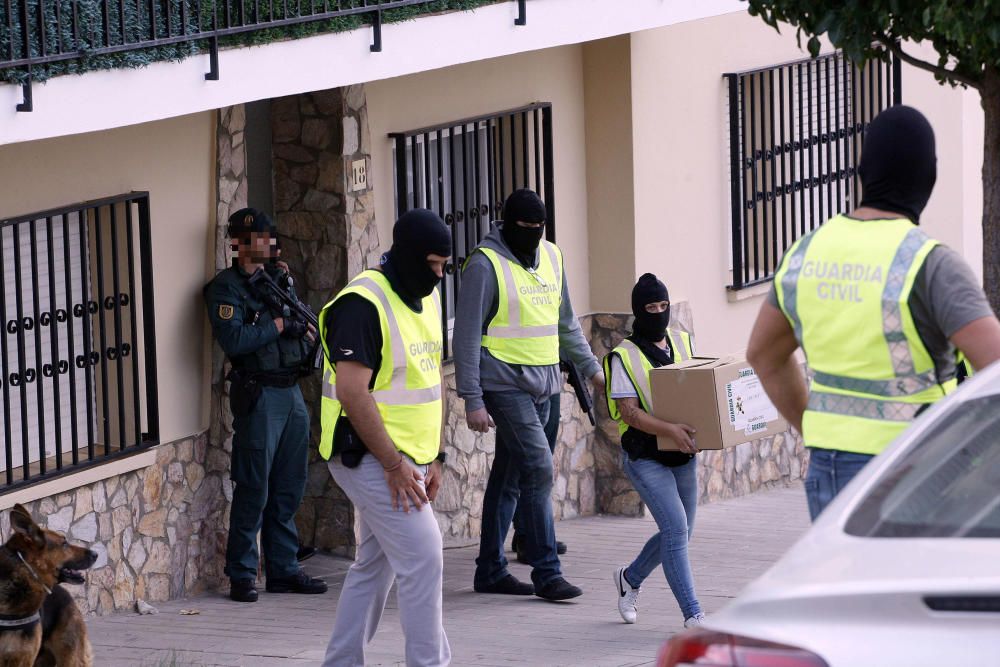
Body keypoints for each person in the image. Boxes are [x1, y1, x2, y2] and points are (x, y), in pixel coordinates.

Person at [747, 105, 1000, 521]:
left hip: (827, 467)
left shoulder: (807, 252)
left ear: (864, 170)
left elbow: (763, 355)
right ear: (927, 177)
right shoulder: (930, 263)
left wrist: (815, 427)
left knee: (841, 586)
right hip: (914, 470)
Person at [454, 188, 603, 601]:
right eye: (526, 228)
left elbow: (566, 322)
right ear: (507, 224)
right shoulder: (484, 266)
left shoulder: (553, 257)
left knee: (512, 474)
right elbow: (465, 337)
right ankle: (546, 571)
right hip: (504, 384)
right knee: (538, 469)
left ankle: (489, 570)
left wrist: (592, 370)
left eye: (540, 228)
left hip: (548, 383)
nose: (534, 235)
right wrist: (472, 398)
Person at [320, 209, 452, 667]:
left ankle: (341, 662)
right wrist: (396, 467)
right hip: (366, 456)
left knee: (375, 568)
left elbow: (431, 378)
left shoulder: (426, 298)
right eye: (432, 264)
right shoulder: (362, 304)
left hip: (407, 457)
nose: (438, 276)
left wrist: (435, 455)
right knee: (423, 557)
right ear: (410, 256)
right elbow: (353, 393)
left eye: (444, 266)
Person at [203, 207, 328, 603]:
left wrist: (300, 328)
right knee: (254, 486)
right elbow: (236, 341)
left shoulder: (276, 281)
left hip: (290, 391)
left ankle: (284, 568)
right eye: (261, 238)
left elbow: (301, 324)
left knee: (290, 485)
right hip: (259, 396)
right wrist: (275, 326)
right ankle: (242, 573)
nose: (269, 244)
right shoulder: (226, 288)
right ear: (239, 243)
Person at [605, 273, 705, 628]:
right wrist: (669, 431)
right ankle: (694, 616)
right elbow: (629, 413)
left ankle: (630, 578)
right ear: (638, 311)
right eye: (651, 307)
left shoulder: (682, 341)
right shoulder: (623, 356)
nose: (659, 313)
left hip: (682, 454)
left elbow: (698, 387)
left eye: (664, 306)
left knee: (680, 532)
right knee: (676, 531)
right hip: (646, 456)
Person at [510, 391, 567, 564]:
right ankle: (526, 536)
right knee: (531, 465)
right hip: (524, 381)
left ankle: (539, 535)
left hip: (550, 377)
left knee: (544, 461)